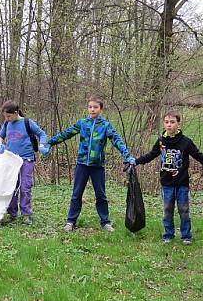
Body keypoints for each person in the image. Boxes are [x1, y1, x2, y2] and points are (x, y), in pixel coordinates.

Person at [43, 96, 135, 232]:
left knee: (101, 195)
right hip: (82, 165)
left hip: (97, 166)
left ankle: (105, 222)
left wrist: (127, 155)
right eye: (90, 107)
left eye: (95, 107)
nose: (92, 109)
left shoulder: (105, 126)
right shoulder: (83, 123)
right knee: (76, 194)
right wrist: (50, 142)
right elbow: (66, 133)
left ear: (101, 109)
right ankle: (70, 221)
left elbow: (117, 140)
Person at [134, 111, 203, 245]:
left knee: (184, 209)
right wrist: (136, 161)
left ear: (178, 124)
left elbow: (198, 155)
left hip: (182, 183)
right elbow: (150, 155)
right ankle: (168, 234)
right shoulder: (161, 141)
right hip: (167, 183)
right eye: (166, 122)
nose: (169, 125)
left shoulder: (186, 142)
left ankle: (186, 236)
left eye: (172, 122)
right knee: (167, 209)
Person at [0, 101, 48, 225]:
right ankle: (13, 213)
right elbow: (0, 136)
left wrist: (42, 145)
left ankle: (26, 214)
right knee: (12, 186)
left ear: (15, 113)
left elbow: (42, 133)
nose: (7, 119)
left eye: (9, 116)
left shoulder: (27, 122)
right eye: (5, 117)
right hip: (11, 160)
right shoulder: (7, 123)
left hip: (26, 159)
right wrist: (0, 145)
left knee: (25, 186)